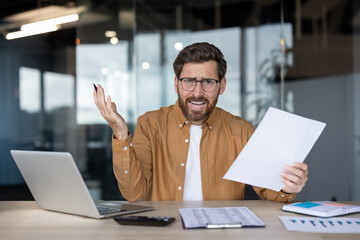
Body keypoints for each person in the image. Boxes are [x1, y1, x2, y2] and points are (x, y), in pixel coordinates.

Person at [93, 42, 308, 202]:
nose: (197, 92)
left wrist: (288, 186)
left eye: (208, 82)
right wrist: (120, 133)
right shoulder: (150, 124)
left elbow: (270, 192)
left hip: (223, 232)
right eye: (188, 81)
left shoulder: (241, 130)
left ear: (222, 85)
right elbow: (133, 192)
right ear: (176, 83)